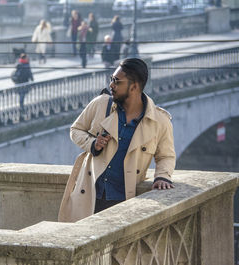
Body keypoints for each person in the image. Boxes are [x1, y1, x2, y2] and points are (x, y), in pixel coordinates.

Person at [59, 58, 175, 222]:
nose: (111, 85)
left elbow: (166, 155)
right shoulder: (101, 104)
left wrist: (162, 177)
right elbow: (75, 130)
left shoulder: (159, 121)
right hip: (90, 194)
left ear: (134, 87)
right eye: (111, 79)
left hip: (123, 201)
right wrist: (93, 144)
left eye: (117, 81)